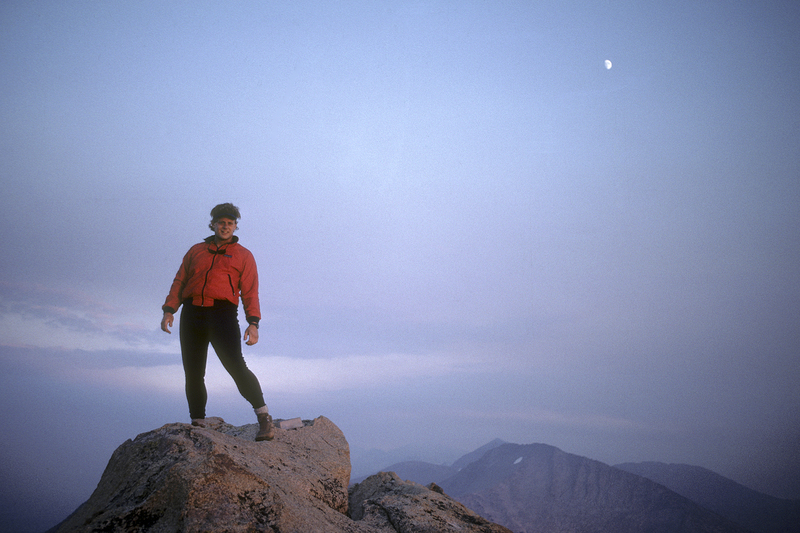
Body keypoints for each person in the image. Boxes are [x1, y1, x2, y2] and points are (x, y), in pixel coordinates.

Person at [160, 203, 274, 441]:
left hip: (222, 315)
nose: (225, 227)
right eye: (221, 222)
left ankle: (264, 417)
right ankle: (198, 422)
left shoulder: (243, 255)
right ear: (212, 224)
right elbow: (180, 281)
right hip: (192, 314)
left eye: (230, 223)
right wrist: (170, 310)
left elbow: (250, 291)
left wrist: (253, 323)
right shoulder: (196, 251)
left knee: (236, 367)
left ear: (235, 226)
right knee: (193, 372)